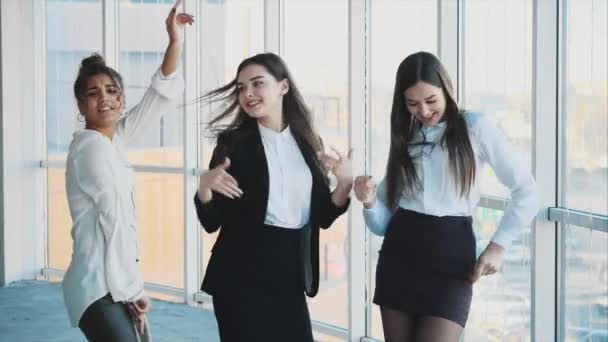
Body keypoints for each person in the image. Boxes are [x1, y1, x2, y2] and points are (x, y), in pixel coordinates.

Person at [353, 51, 539, 342]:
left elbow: (527, 190)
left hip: (451, 262)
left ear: (446, 90)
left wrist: (499, 245)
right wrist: (368, 201)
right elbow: (381, 225)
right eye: (412, 104)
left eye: (431, 100)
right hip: (399, 257)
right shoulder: (407, 138)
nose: (423, 111)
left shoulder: (475, 127)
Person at [194, 52, 353, 342]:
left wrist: (344, 183)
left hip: (289, 274)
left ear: (283, 87)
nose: (248, 94)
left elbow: (323, 216)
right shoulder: (234, 144)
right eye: (242, 87)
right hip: (239, 275)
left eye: (257, 84)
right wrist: (204, 187)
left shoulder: (308, 143)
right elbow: (211, 221)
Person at [62, 6, 192, 341]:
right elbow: (114, 220)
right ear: (80, 105)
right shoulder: (91, 148)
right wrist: (133, 289)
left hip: (111, 282)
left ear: (121, 99)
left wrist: (174, 42)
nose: (103, 98)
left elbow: (157, 98)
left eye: (111, 91)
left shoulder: (114, 139)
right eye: (92, 93)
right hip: (97, 286)